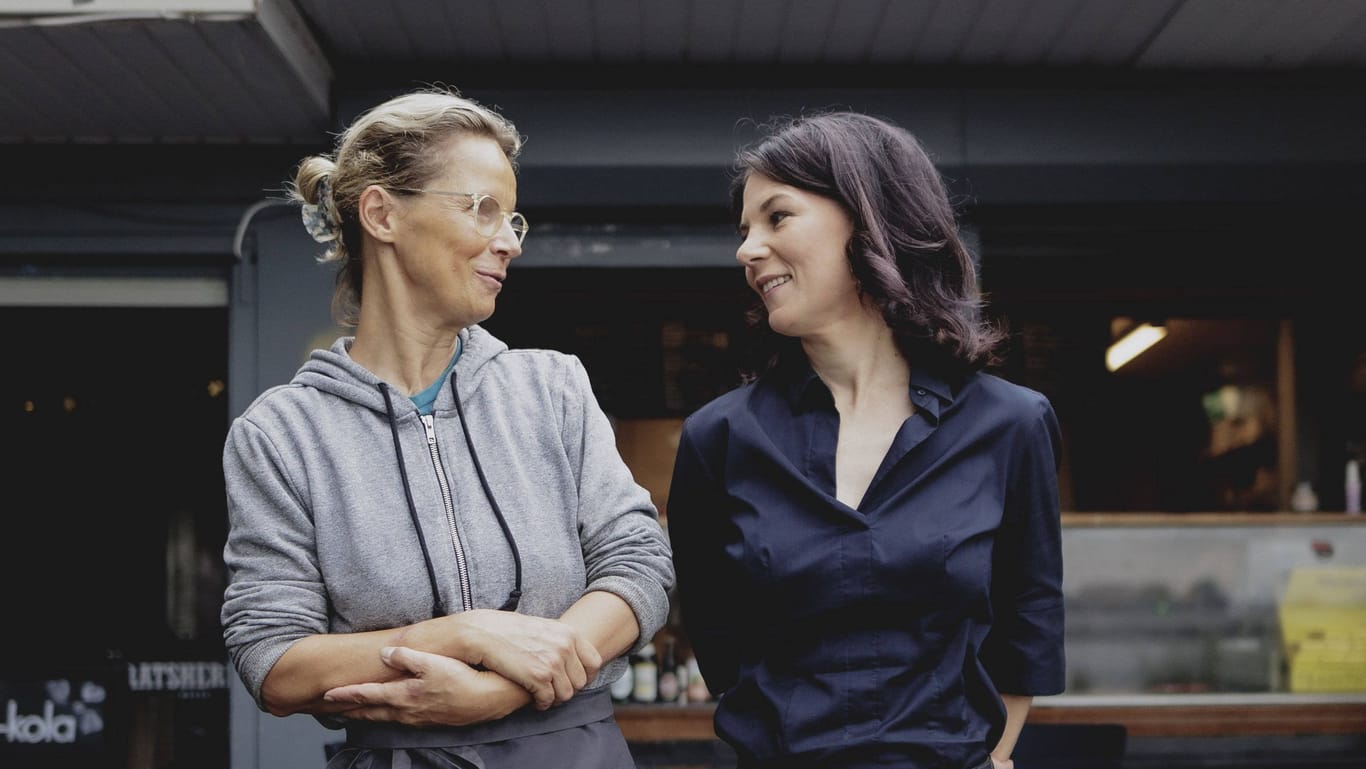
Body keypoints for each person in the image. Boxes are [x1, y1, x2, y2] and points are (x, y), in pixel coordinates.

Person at [220, 87, 674, 769]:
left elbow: (639, 562)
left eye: (513, 218)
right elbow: (272, 659)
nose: (508, 241)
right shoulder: (282, 434)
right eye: (482, 208)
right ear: (382, 214)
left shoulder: (552, 388)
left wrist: (499, 689)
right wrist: (463, 634)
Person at [666, 111, 1065, 769]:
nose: (746, 249)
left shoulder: (1011, 424)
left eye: (777, 217)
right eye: (743, 230)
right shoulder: (719, 437)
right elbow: (720, 644)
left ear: (866, 217)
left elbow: (1028, 630)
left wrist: (991, 758)